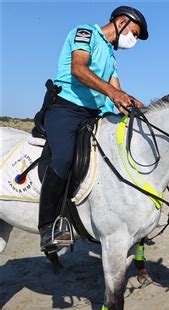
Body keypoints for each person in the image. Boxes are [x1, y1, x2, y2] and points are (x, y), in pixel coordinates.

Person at [38, 6, 149, 252]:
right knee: (64, 158)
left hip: (93, 114)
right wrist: (114, 93)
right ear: (121, 22)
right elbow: (78, 69)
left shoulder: (111, 55)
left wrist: (129, 102)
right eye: (134, 32)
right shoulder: (85, 33)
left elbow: (116, 89)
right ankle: (47, 227)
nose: (134, 40)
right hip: (66, 109)